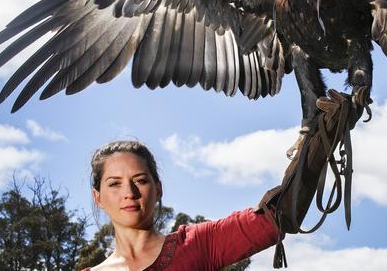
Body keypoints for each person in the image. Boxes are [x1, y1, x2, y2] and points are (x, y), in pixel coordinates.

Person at [83, 90, 359, 270]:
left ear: (158, 189)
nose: (129, 192)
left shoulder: (200, 244)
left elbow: (280, 215)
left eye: (140, 180)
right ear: (98, 197)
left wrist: (322, 139)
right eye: (114, 183)